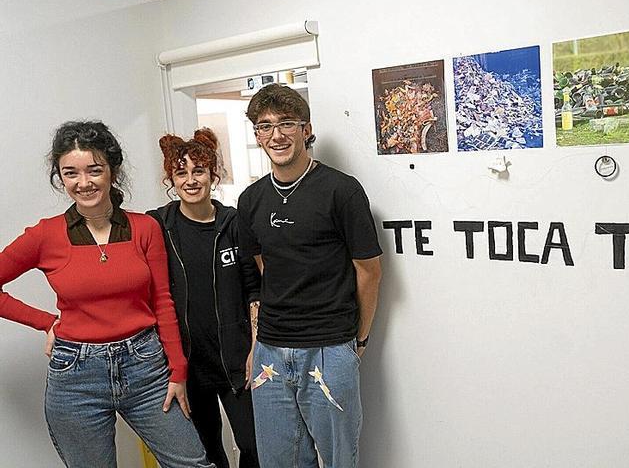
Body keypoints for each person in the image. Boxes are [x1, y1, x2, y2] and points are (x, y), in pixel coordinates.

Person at [0, 121, 214, 468]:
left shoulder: (145, 228)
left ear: (112, 172)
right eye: (71, 173)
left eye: (94, 170)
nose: (83, 183)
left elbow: (162, 300)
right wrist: (47, 322)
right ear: (60, 177)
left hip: (146, 368)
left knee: (193, 464)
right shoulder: (46, 235)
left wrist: (178, 370)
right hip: (75, 376)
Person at [237, 84, 383, 468]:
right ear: (256, 135)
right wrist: (257, 341)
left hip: (329, 348)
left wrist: (360, 339)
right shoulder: (250, 200)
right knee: (278, 461)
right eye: (265, 126)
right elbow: (265, 268)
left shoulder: (342, 191)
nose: (276, 135)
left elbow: (369, 272)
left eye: (287, 123)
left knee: (338, 460)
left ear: (306, 129)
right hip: (270, 350)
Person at [147, 128, 261, 468]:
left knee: (253, 444)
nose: (191, 180)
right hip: (186, 365)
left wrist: (256, 347)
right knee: (207, 449)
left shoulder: (234, 222)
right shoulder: (159, 225)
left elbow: (254, 289)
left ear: (213, 174)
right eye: (181, 172)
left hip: (236, 360)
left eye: (198, 171)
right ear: (171, 178)